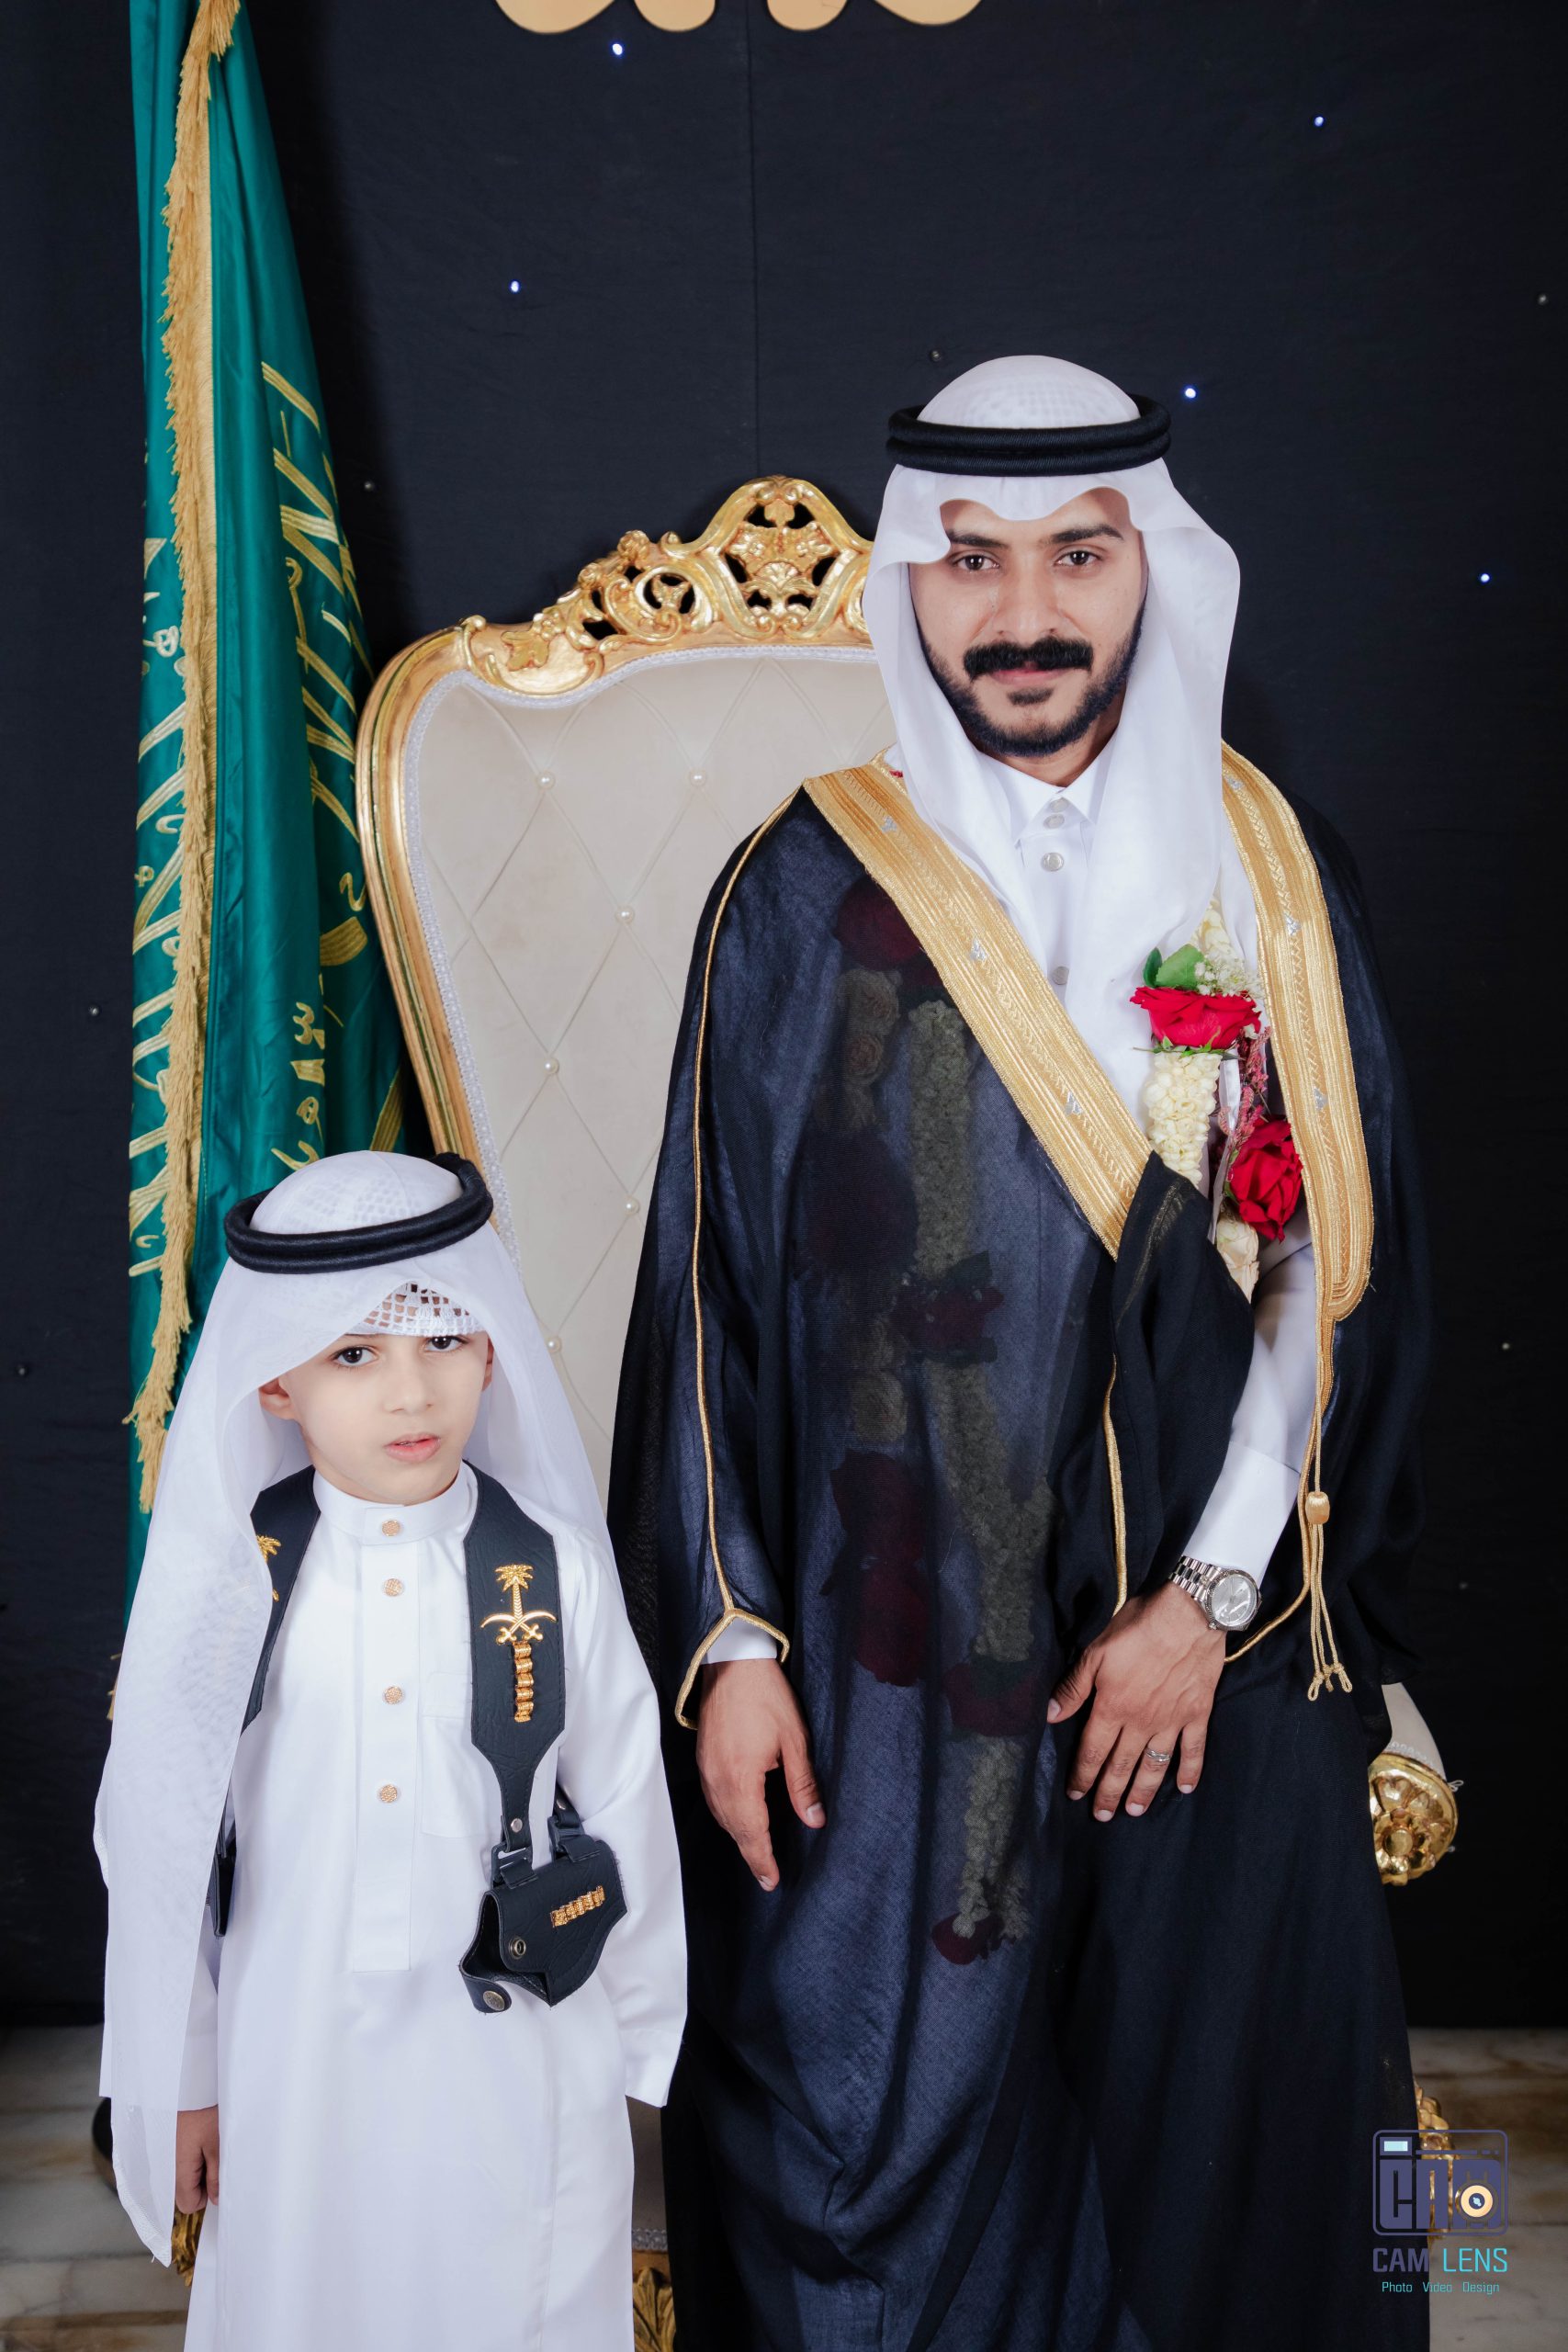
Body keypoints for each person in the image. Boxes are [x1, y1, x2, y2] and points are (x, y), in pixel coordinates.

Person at [610, 356, 1430, 2351]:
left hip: (1207, 1626)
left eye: (1079, 553)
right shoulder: (801, 884)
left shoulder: (1266, 871)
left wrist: (1204, 1601)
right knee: (843, 2116)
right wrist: (731, 1640)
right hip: (890, 1644)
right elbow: (704, 1298)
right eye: (970, 559)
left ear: (1156, 567)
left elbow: (1325, 1277)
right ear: (909, 580)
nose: (1025, 612)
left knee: (1306, 2141)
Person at [96, 1150, 684, 2352]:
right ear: (276, 1382)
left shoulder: (556, 1570)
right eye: (355, 1355)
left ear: (491, 1352)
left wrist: (640, 2050)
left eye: (443, 1341)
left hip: (517, 2050)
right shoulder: (232, 1583)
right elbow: (163, 1850)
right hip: (288, 2050)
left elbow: (630, 1808)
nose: (410, 1394)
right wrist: (185, 2073)